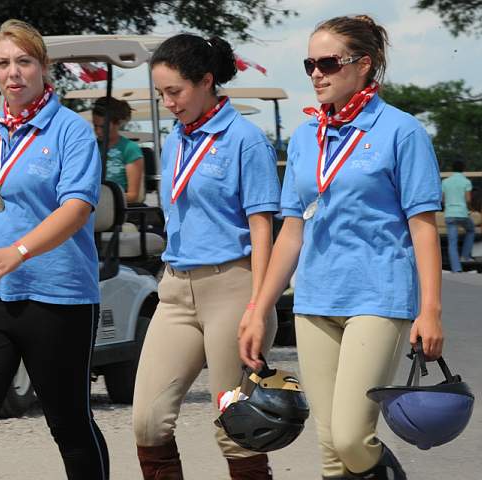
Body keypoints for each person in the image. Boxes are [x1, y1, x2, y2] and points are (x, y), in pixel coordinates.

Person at [239, 15, 443, 480]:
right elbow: (292, 229)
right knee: (330, 444)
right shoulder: (307, 135)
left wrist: (429, 309)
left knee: (353, 436)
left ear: (363, 64)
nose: (316, 73)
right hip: (315, 299)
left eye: (328, 62)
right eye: (310, 62)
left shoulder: (400, 131)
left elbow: (423, 226)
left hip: (378, 296)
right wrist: (259, 308)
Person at [0, 19, 109, 480]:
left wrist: (19, 252)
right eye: (4, 63)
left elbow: (77, 208)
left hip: (59, 295)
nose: (14, 73)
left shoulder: (71, 130)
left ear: (43, 67)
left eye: (24, 62)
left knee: (68, 423)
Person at [132, 34, 280, 479]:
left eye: (174, 91)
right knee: (147, 421)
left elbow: (262, 229)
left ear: (206, 81)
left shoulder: (246, 140)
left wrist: (258, 306)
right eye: (160, 93)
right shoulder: (174, 139)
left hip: (232, 289)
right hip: (175, 288)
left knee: (236, 427)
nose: (168, 102)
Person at [92, 97, 145, 204]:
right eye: (95, 126)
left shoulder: (130, 149)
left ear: (117, 123)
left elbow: (133, 195)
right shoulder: (90, 147)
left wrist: (106, 200)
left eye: (103, 127)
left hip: (118, 210)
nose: (98, 131)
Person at [442, 160, 475, 271]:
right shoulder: (466, 181)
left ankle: (456, 269)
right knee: (471, 230)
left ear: (452, 169)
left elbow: (443, 199)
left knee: (452, 242)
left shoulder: (445, 182)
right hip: (462, 213)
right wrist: (470, 208)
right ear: (463, 169)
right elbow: (468, 199)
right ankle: (465, 256)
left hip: (449, 214)